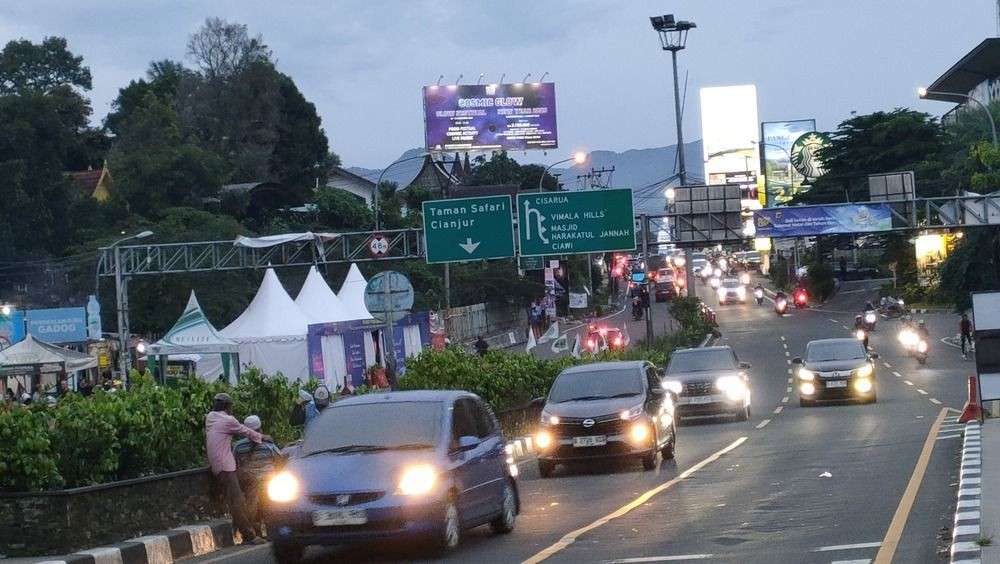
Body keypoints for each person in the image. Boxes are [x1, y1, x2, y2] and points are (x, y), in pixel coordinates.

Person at [205, 392, 270, 545]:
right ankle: (249, 535)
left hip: (220, 465)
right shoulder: (228, 420)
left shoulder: (210, 417)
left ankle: (250, 522)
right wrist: (263, 437)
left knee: (250, 481)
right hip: (226, 467)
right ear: (228, 407)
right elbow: (245, 431)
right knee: (237, 501)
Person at [233, 415, 283, 537]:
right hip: (269, 482)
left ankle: (256, 531)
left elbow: (235, 464)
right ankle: (272, 531)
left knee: (252, 505)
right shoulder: (269, 445)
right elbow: (280, 461)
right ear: (260, 429)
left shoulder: (238, 447)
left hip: (249, 483)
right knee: (272, 506)